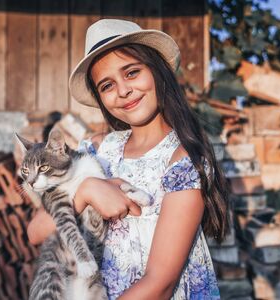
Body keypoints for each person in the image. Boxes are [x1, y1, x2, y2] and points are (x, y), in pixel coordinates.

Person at [27, 19, 230, 299]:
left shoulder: (182, 161)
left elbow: (160, 285)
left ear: (157, 72)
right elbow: (36, 232)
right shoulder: (98, 152)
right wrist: (86, 190)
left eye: (132, 72)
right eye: (107, 85)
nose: (123, 91)